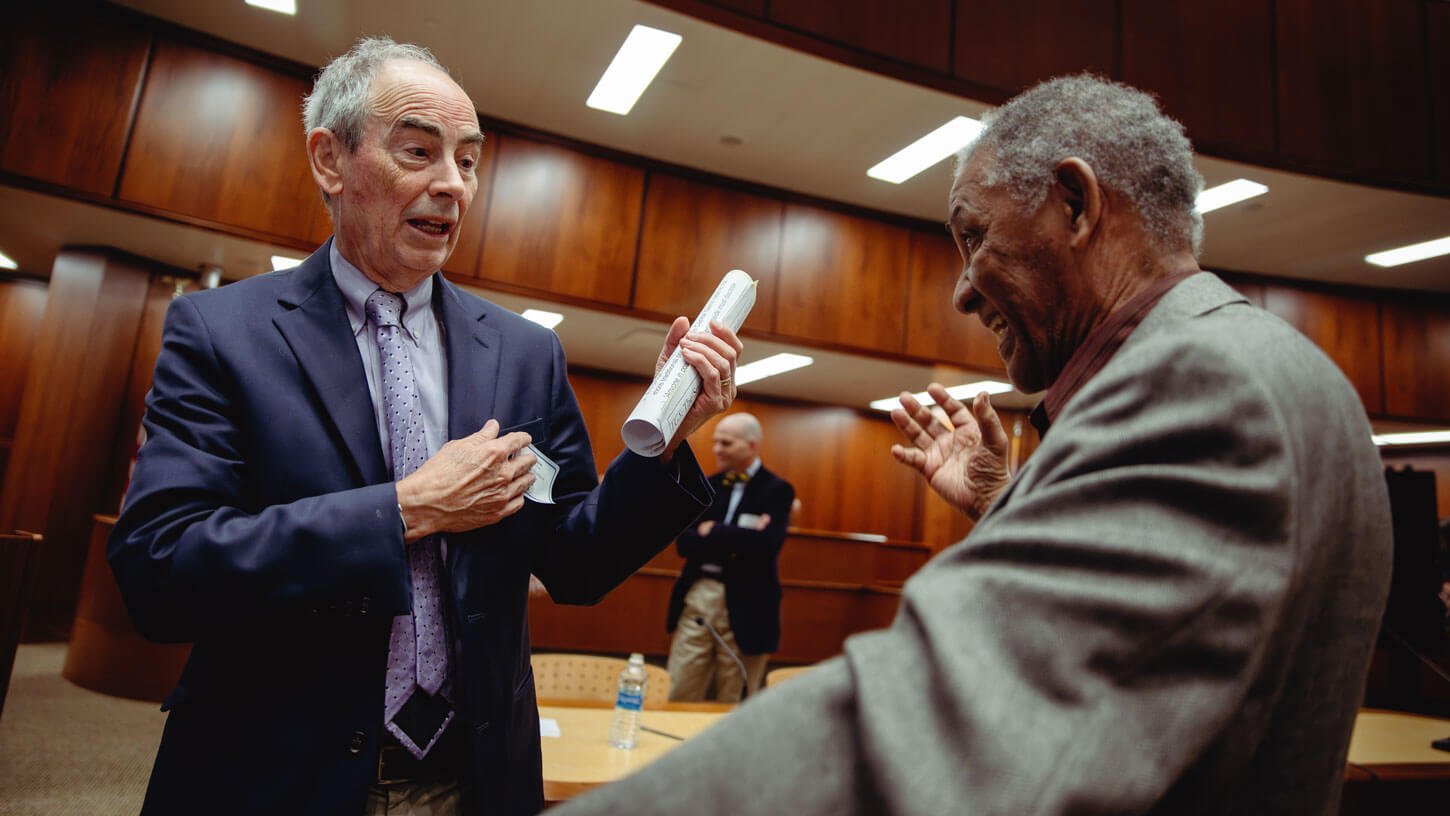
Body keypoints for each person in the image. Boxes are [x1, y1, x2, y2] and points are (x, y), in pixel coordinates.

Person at [555, 74, 1392, 815]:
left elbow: (931, 735)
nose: (961, 290)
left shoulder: (1205, 384)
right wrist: (1009, 503)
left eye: (973, 237)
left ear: (1075, 202)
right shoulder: (1240, 363)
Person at [107, 37, 741, 816]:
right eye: (418, 151)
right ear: (329, 160)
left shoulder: (523, 353)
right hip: (273, 777)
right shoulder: (219, 332)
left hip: (473, 779)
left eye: (469, 162)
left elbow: (575, 561)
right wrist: (406, 511)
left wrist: (666, 439)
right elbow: (161, 568)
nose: (452, 185)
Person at [665, 413, 795, 702]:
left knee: (735, 697)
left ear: (751, 446)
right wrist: (737, 536)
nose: (717, 450)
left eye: (725, 443)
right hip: (699, 594)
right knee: (680, 687)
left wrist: (712, 530)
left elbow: (767, 546)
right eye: (715, 442)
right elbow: (684, 544)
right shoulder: (705, 486)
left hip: (748, 601)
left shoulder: (777, 490)